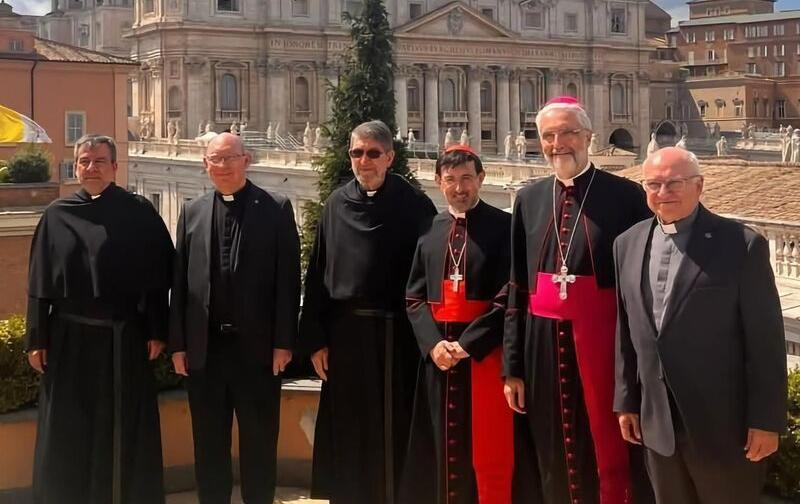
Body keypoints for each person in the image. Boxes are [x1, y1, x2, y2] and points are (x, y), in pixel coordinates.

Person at [613, 147, 787, 504]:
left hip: (724, 425)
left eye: (674, 183)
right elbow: (627, 332)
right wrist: (627, 400)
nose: (663, 193)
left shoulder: (741, 245)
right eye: (654, 184)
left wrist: (767, 421)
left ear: (699, 186)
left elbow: (766, 341)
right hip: (657, 422)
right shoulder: (626, 244)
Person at [503, 96, 653, 504]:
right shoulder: (528, 199)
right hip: (541, 347)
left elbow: (640, 287)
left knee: (608, 444)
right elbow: (517, 287)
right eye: (549, 135)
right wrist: (511, 368)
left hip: (605, 343)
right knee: (551, 442)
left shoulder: (626, 197)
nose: (558, 143)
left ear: (588, 136)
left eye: (568, 132)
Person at [25, 134, 174, 504]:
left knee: (122, 430)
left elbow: (156, 280)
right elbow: (38, 284)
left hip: (122, 341)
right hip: (68, 342)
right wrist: (36, 338)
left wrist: (157, 329)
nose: (91, 168)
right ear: (75, 166)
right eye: (84, 162)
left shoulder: (139, 213)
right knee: (68, 430)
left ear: (115, 167)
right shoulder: (56, 216)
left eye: (99, 161)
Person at [299, 120, 437, 504]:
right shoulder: (335, 204)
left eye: (373, 153)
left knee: (393, 430)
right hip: (344, 338)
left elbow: (427, 276)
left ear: (389, 157)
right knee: (348, 430)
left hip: (397, 339)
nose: (364, 160)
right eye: (357, 153)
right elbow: (317, 273)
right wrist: (316, 339)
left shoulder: (415, 206)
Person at [168, 133, 300, 504]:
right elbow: (179, 282)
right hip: (205, 351)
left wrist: (284, 342)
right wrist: (179, 343)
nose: (222, 166)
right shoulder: (192, 211)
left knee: (259, 444)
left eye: (230, 158)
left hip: (257, 352)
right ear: (205, 164)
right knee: (208, 445)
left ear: (247, 160)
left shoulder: (275, 208)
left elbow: (288, 281)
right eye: (215, 159)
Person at [401, 145, 513, 504]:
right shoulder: (428, 228)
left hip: (483, 355)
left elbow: (508, 295)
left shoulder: (504, 227)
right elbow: (414, 296)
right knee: (437, 444)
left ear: (481, 178)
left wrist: (467, 345)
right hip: (437, 358)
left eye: (467, 178)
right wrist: (433, 345)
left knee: (484, 446)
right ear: (438, 182)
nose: (459, 187)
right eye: (450, 180)